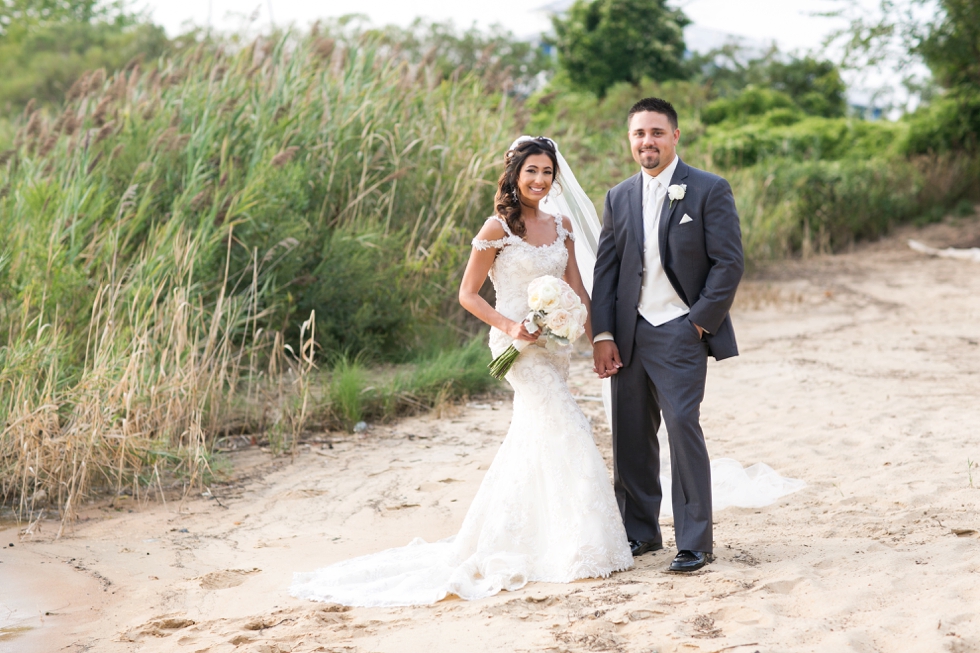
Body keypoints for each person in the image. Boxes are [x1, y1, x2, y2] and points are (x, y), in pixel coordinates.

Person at [289, 137, 632, 607]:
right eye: (531, 171)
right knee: (565, 422)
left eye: (547, 172)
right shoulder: (497, 228)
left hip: (553, 345)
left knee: (535, 433)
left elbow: (576, 291)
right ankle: (581, 543)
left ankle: (535, 534)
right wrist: (513, 325)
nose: (540, 180)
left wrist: (594, 338)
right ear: (514, 175)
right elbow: (468, 294)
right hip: (514, 342)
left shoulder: (562, 225)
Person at [592, 97, 744, 572]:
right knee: (631, 435)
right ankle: (641, 532)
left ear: (674, 136)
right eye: (639, 134)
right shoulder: (618, 196)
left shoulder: (707, 189)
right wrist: (603, 334)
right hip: (629, 333)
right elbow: (607, 272)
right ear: (630, 139)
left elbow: (729, 263)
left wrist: (699, 321)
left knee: (682, 428)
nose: (647, 142)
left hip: (681, 330)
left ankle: (695, 541)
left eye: (656, 132)